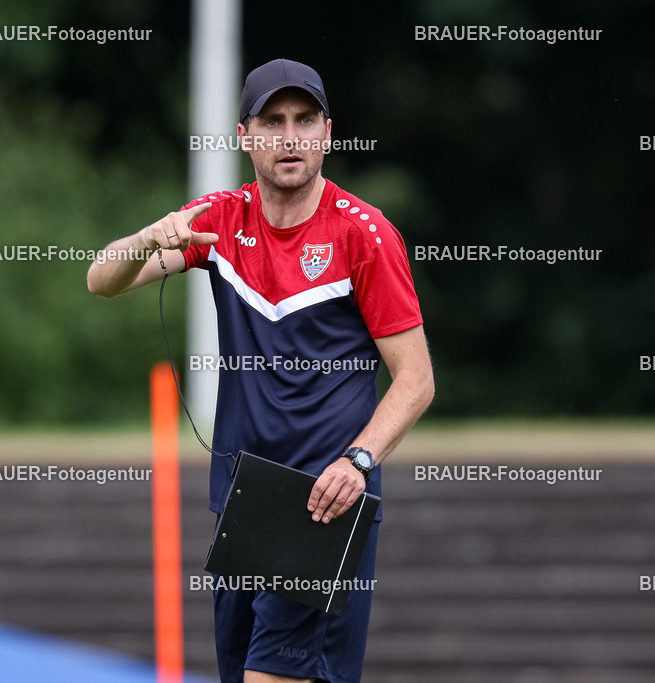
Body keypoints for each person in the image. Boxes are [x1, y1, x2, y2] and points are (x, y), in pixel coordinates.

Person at [87, 58, 434, 683]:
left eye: (305, 120)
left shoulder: (364, 234)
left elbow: (416, 380)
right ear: (245, 137)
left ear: (328, 132)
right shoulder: (219, 220)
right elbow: (101, 280)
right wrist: (149, 239)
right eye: (273, 122)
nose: (290, 136)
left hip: (324, 504)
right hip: (243, 500)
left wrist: (357, 462)